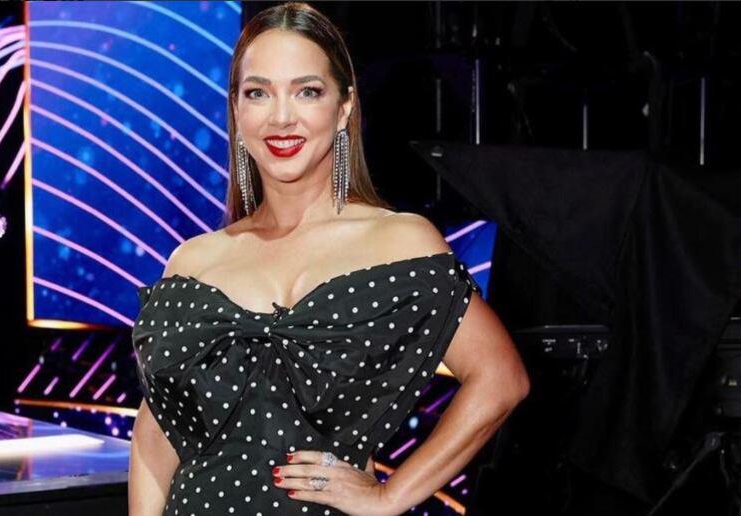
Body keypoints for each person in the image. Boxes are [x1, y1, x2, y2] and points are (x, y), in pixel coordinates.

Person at [128, 3, 529, 515]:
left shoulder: (398, 242)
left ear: (344, 108)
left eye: (308, 91)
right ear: (237, 111)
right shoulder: (193, 262)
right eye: (258, 93)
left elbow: (500, 380)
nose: (281, 116)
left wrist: (390, 496)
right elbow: (156, 433)